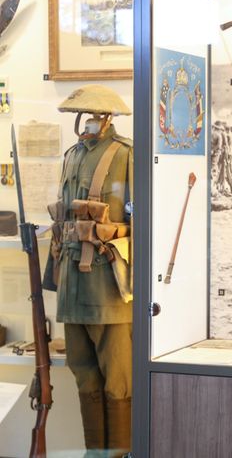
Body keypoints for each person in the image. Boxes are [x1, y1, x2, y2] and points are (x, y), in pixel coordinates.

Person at [43, 84, 133, 457]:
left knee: (118, 381)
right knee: (83, 374)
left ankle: (120, 453)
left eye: (94, 116)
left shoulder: (126, 156)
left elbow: (142, 222)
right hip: (73, 288)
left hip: (107, 288)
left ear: (107, 118)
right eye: (84, 117)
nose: (87, 123)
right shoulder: (71, 156)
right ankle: (95, 453)